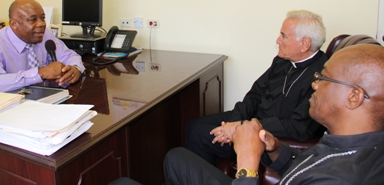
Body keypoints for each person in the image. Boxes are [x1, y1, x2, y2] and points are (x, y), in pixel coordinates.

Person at [163, 44, 384, 184]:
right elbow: (306, 164)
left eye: (323, 79)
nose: (315, 86)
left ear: (354, 97)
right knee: (176, 157)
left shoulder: (342, 178)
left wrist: (248, 161)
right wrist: (276, 148)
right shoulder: (348, 144)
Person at [186, 10, 327, 165]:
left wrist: (241, 128)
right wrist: (233, 124)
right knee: (194, 125)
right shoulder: (282, 61)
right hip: (250, 122)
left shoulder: (321, 76)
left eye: (284, 36)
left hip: (269, 139)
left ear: (304, 43)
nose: (278, 40)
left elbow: (298, 127)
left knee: (197, 134)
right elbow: (254, 95)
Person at [0, 0, 85, 92]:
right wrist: (39, 73)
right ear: (14, 24)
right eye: (33, 20)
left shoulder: (44, 34)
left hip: (39, 101)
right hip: (2, 107)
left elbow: (70, 56)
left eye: (42, 18)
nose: (42, 24)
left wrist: (75, 69)